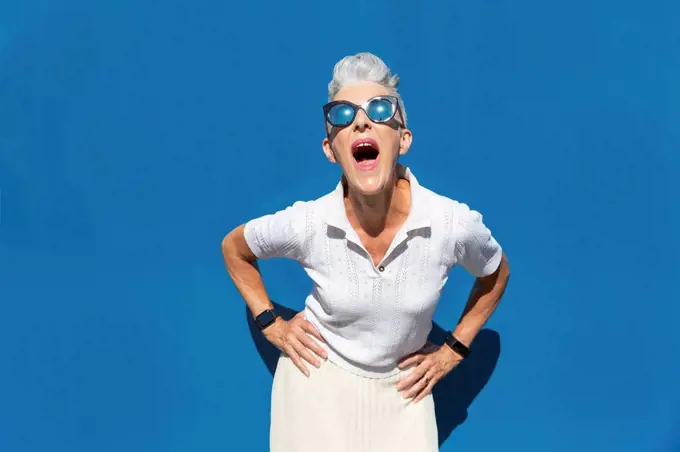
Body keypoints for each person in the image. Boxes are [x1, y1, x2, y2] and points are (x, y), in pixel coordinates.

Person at [221, 52, 511, 452]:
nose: (361, 120)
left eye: (379, 109)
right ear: (330, 149)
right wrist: (271, 323)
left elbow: (496, 273)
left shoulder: (450, 223)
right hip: (315, 387)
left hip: (404, 395)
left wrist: (453, 351)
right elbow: (234, 249)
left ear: (403, 139)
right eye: (342, 114)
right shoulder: (307, 223)